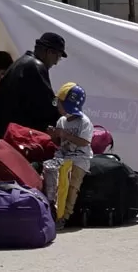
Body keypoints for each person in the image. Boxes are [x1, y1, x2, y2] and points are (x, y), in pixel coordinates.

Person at [2, 32, 66, 132]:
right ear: (49, 52)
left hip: (9, 129)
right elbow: (48, 105)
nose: (56, 62)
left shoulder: (18, 63)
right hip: (25, 133)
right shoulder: (36, 67)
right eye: (58, 57)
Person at [49, 82, 93, 226]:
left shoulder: (84, 122)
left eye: (60, 103)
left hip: (80, 159)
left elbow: (84, 142)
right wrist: (53, 135)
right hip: (63, 156)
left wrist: (65, 135)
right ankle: (52, 210)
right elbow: (57, 141)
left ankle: (65, 215)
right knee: (52, 178)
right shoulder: (61, 121)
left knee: (72, 184)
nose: (58, 106)